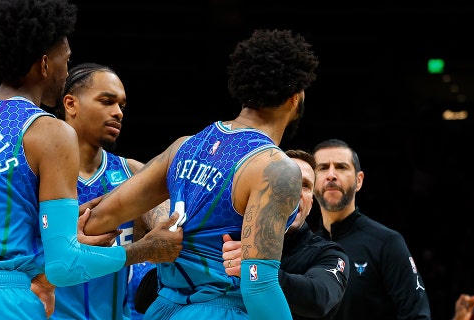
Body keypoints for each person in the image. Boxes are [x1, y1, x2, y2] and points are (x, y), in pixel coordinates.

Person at [0, 1, 183, 319]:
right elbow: (65, 266)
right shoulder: (48, 130)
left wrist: (64, 229)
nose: (66, 72)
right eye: (65, 61)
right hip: (2, 301)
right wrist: (145, 250)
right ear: (44, 65)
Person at [83, 28, 320, 320]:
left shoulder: (186, 145)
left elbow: (97, 221)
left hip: (164, 308)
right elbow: (260, 286)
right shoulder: (276, 168)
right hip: (222, 308)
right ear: (295, 98)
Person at [48, 63, 166, 320]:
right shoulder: (40, 174)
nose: (118, 113)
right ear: (70, 104)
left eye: (121, 106)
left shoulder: (134, 173)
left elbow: (170, 226)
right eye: (106, 101)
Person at [220, 149, 349, 319]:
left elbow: (319, 298)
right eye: (285, 179)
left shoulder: (329, 253)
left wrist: (256, 269)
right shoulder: (229, 240)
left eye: (305, 185)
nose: (294, 191)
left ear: (310, 204)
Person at [312, 138, 431, 319]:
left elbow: (417, 315)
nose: (331, 175)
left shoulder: (387, 242)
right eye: (322, 168)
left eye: (341, 167)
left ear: (359, 181)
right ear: (311, 181)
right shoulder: (306, 247)